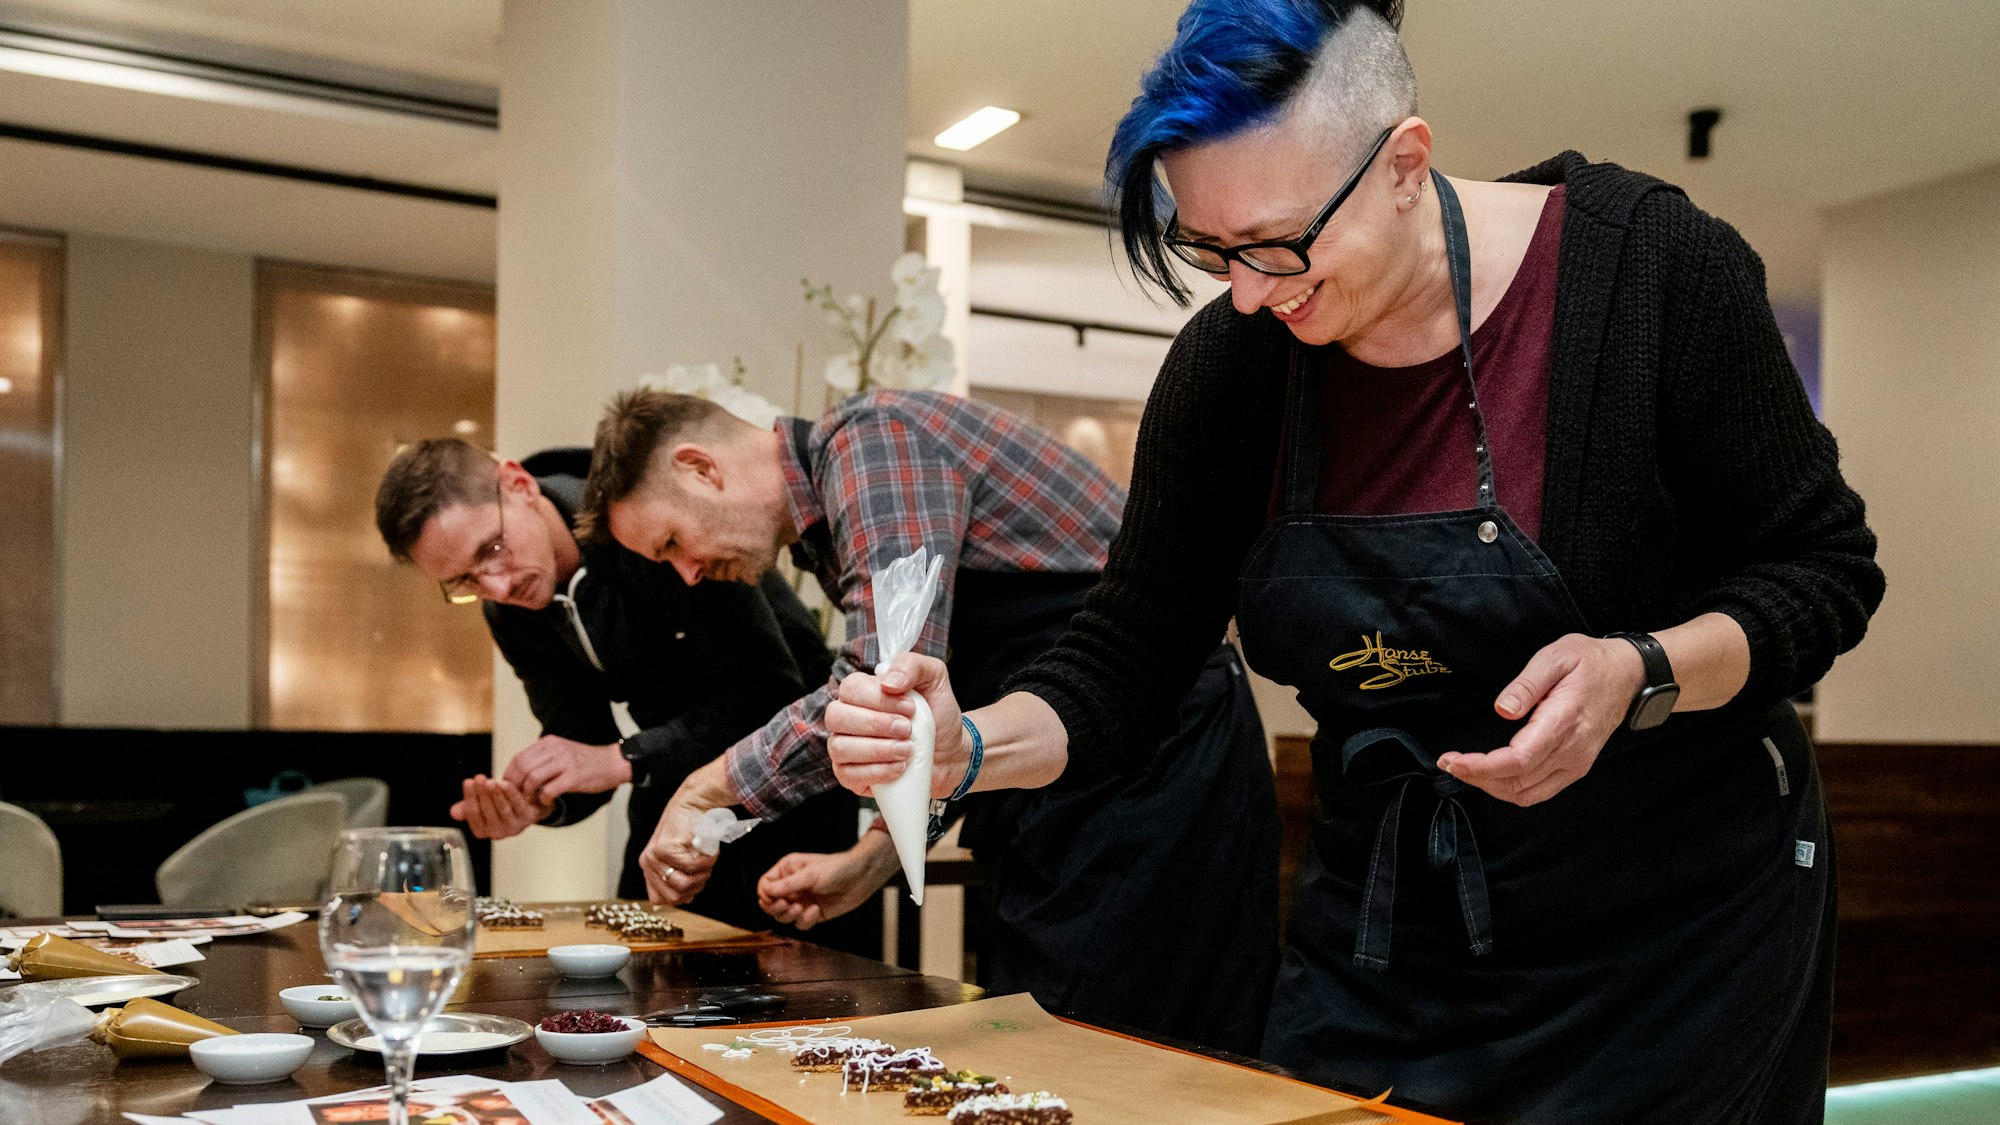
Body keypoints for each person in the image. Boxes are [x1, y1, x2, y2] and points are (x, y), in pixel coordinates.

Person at [818, 3, 1885, 1123]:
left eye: (1277, 244)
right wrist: (965, 749)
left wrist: (1638, 670)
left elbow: (1822, 569)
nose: (1247, 292)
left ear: (1404, 165)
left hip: (1676, 933)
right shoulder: (1233, 367)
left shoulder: (1648, 271)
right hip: (1391, 928)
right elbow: (1129, 659)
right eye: (1209, 251)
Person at [575, 389, 1281, 1056]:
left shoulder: (872, 439)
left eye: (672, 542)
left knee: (1117, 1053)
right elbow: (944, 708)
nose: (689, 573)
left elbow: (879, 691)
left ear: (700, 468)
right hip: (1064, 772)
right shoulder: (829, 518)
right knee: (1042, 1044)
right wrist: (875, 858)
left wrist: (703, 788)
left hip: (1158, 760)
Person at [373, 439, 877, 954]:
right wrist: (541, 801)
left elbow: (770, 694)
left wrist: (623, 759)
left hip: (795, 781)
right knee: (640, 981)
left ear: (519, 485)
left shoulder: (645, 520)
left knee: (805, 994)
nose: (497, 587)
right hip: (670, 791)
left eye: (491, 549)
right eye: (465, 580)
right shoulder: (509, 609)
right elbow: (582, 735)